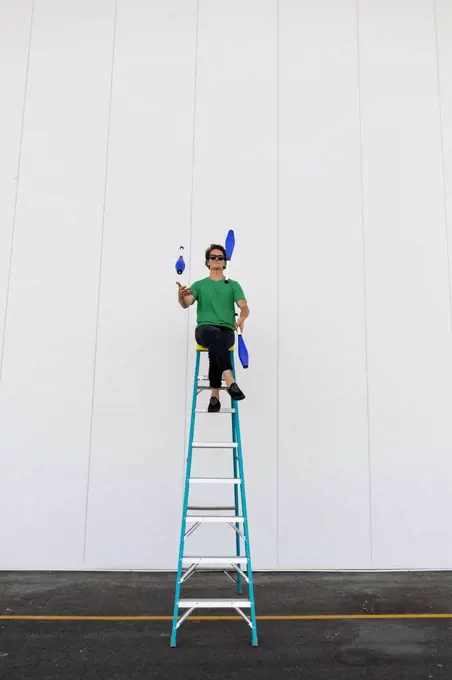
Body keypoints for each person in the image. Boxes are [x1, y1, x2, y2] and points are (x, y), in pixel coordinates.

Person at [176, 244, 249, 412]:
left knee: (217, 343)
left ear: (225, 262)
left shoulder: (233, 285)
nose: (216, 260)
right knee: (214, 335)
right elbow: (186, 303)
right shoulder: (199, 285)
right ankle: (230, 381)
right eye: (213, 257)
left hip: (227, 331)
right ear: (207, 262)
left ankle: (214, 397)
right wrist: (181, 297)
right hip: (204, 330)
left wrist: (243, 317)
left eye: (220, 257)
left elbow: (244, 307)